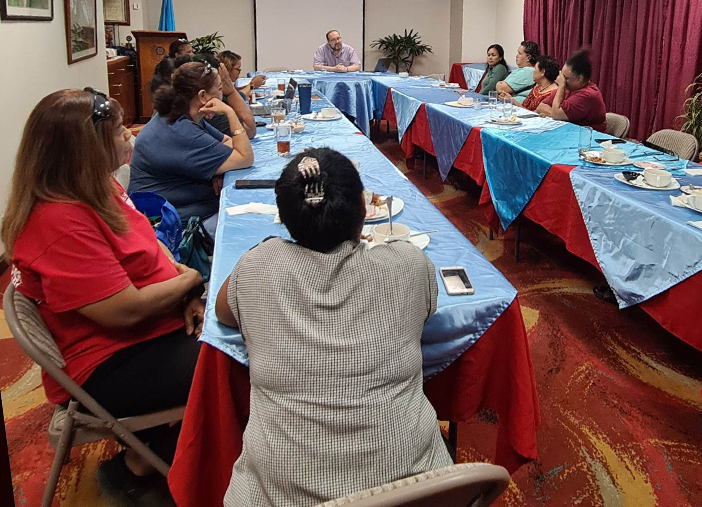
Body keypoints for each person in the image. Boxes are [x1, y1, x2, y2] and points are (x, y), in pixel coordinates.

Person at [215, 148, 452, 507]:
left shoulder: (256, 267)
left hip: (277, 494)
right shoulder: (408, 263)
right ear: (362, 209)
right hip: (418, 491)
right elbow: (426, 308)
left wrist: (267, 250)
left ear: (283, 218)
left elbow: (222, 311)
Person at [1, 87, 204, 505]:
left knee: (244, 327)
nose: (130, 136)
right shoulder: (58, 221)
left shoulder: (98, 188)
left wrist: (186, 294)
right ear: (86, 148)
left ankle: (158, 455)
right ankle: (143, 467)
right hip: (110, 362)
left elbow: (150, 251)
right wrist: (189, 281)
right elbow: (124, 312)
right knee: (248, 355)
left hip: (150, 329)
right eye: (117, 132)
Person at [129, 62, 254, 235]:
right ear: (203, 96)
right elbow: (245, 157)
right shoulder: (179, 130)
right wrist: (229, 112)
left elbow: (227, 142)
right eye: (219, 89)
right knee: (247, 228)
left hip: (188, 208)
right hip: (174, 225)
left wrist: (217, 169)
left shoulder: (183, 115)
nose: (222, 93)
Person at [540, 48, 607, 132]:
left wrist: (561, 87)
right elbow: (541, 106)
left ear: (580, 78)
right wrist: (554, 115)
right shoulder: (570, 88)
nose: (562, 80)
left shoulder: (587, 95)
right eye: (562, 76)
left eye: (566, 78)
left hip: (589, 139)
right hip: (570, 134)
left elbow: (556, 114)